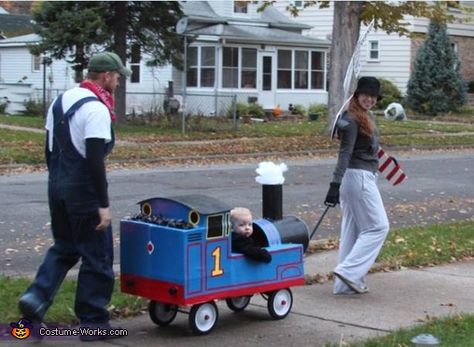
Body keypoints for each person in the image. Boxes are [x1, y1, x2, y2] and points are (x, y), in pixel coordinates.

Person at [18, 52, 131, 341]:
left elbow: (49, 149)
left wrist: (59, 183)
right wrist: (103, 205)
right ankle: (93, 323)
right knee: (98, 256)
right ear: (105, 76)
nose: (119, 81)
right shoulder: (96, 110)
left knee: (65, 248)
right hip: (84, 192)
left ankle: (36, 298)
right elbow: (95, 161)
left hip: (57, 186)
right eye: (117, 76)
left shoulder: (61, 101)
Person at [324, 76, 389, 295]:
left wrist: (386, 162)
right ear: (357, 95)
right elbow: (345, 154)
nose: (370, 99)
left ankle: (344, 286)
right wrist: (334, 183)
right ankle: (349, 272)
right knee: (378, 227)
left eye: (373, 96)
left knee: (353, 231)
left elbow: (367, 149)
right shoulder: (351, 120)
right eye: (366, 95)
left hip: (359, 177)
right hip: (357, 178)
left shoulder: (363, 117)